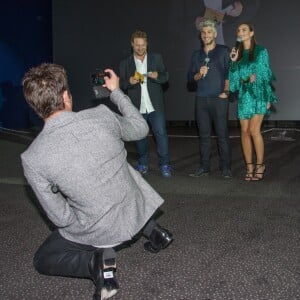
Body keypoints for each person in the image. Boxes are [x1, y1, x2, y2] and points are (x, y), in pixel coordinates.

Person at [21, 63, 173, 300]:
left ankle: (95, 264)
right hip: (135, 207)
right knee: (118, 173)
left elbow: (61, 217)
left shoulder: (32, 158)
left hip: (100, 231)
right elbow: (141, 128)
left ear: (35, 107)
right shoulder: (102, 115)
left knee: (42, 259)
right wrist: (116, 92)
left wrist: (83, 221)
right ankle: (155, 232)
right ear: (65, 96)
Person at [119, 30, 172, 178]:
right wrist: (128, 81)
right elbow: (121, 84)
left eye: (143, 45)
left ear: (147, 44)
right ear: (132, 45)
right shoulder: (125, 63)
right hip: (137, 106)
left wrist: (157, 76)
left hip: (155, 105)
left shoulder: (157, 58)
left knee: (161, 134)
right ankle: (143, 163)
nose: (140, 48)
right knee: (140, 136)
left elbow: (165, 77)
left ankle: (165, 164)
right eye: (137, 45)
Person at [229, 23, 278, 181]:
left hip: (259, 95)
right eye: (239, 30)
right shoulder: (238, 53)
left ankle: (260, 165)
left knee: (254, 130)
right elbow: (234, 83)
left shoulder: (261, 51)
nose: (241, 32)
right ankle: (249, 167)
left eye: (244, 30)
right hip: (244, 97)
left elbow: (265, 74)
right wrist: (234, 62)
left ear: (251, 33)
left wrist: (268, 97)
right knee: (244, 132)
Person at [187, 19, 232, 178]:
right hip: (201, 100)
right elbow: (190, 78)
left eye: (209, 32)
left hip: (219, 100)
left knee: (222, 134)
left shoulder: (224, 51)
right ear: (201, 35)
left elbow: (229, 73)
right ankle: (204, 167)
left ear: (215, 34)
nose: (206, 35)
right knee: (204, 136)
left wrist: (226, 92)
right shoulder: (196, 55)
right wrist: (199, 74)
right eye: (203, 33)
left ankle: (225, 168)